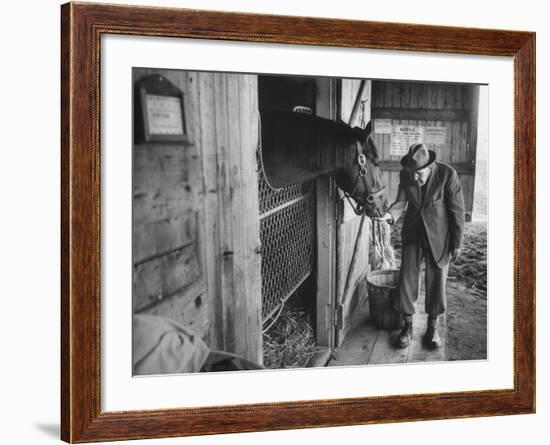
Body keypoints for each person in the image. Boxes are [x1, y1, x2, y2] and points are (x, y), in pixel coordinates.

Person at [378, 142, 465, 349]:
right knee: (407, 279)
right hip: (413, 233)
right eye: (412, 173)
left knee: (436, 281)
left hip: (440, 236)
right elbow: (401, 202)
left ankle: (432, 328)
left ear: (429, 166)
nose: (414, 178)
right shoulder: (406, 175)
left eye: (419, 174)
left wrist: (457, 242)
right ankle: (407, 326)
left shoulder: (447, 175)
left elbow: (457, 212)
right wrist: (390, 216)